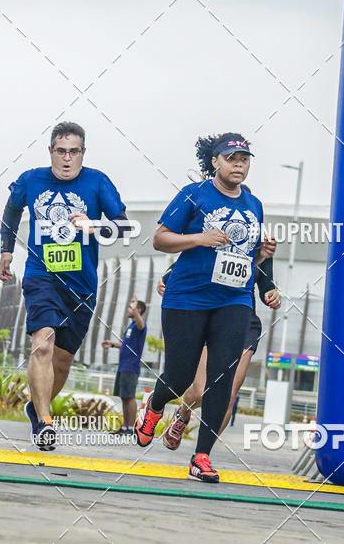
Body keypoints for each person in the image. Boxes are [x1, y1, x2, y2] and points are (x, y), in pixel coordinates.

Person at [135, 132, 269, 483]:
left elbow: (245, 256)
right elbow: (160, 238)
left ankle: (202, 456)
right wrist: (199, 238)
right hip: (188, 298)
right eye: (231, 158)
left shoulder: (254, 205)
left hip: (234, 300)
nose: (238, 164)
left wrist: (262, 256)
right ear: (215, 162)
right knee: (179, 377)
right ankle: (154, 406)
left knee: (221, 379)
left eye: (244, 159)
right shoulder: (193, 194)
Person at [0, 121, 130, 451]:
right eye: (61, 151)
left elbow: (124, 228)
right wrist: (6, 250)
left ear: (83, 153)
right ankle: (45, 422)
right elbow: (11, 211)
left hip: (81, 284)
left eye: (74, 152)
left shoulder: (98, 182)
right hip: (42, 276)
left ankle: (35, 407)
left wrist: (94, 225)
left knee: (62, 361)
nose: (67, 158)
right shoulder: (31, 180)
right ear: (51, 151)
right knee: (42, 344)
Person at [158, 234, 279, 450]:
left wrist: (272, 294)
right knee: (201, 391)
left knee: (228, 395)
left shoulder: (258, 239)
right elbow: (184, 264)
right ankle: (183, 414)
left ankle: (202, 454)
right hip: (209, 313)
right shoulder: (215, 231)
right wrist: (166, 279)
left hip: (243, 319)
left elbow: (266, 283)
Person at [102, 295, 147, 435]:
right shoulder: (130, 326)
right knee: (124, 397)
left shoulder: (140, 325)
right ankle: (125, 427)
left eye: (131, 307)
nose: (128, 309)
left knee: (130, 396)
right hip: (123, 366)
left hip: (131, 367)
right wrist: (112, 344)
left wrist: (135, 308)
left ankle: (131, 428)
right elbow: (126, 345)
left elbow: (141, 325)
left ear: (138, 310)